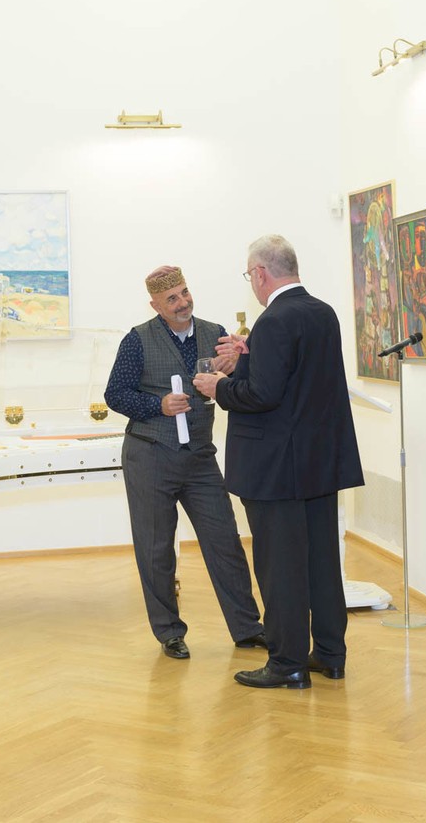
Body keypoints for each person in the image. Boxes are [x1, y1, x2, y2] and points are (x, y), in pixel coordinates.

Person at [194, 234, 364, 689]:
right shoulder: (322, 313)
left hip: (276, 469)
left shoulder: (273, 321)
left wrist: (218, 387)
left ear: (260, 273)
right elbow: (298, 382)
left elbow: (262, 396)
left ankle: (287, 662)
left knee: (280, 567)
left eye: (250, 275)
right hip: (318, 464)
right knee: (321, 562)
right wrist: (250, 357)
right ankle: (329, 654)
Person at [103, 266, 267, 660]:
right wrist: (155, 405)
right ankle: (170, 632)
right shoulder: (137, 340)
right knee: (156, 549)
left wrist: (235, 369)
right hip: (150, 455)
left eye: (185, 292)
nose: (183, 302)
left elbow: (239, 386)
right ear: (156, 306)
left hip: (200, 458)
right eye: (172, 298)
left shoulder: (216, 333)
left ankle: (248, 628)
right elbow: (115, 394)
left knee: (225, 542)